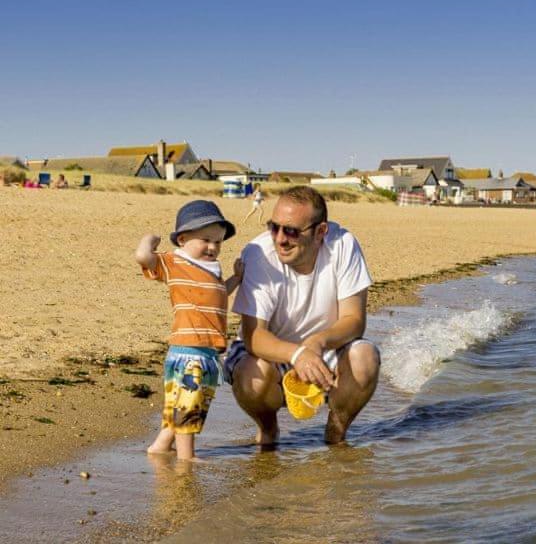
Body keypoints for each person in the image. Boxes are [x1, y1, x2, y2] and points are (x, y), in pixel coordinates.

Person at [224, 185, 380, 446]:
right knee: (252, 372)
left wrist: (317, 342)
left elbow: (354, 321)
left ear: (321, 232)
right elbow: (254, 335)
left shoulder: (343, 244)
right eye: (274, 227)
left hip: (326, 350)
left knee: (365, 358)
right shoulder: (258, 253)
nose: (280, 239)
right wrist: (297, 354)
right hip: (270, 353)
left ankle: (336, 433)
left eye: (292, 231)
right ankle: (268, 429)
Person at [135, 200, 243, 461]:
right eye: (206, 240)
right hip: (188, 350)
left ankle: (161, 447)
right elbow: (143, 257)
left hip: (206, 351)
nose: (212, 247)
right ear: (182, 239)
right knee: (189, 404)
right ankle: (187, 457)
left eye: (218, 242)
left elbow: (218, 296)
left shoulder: (211, 270)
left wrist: (236, 279)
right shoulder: (174, 261)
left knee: (185, 401)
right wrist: (150, 240)